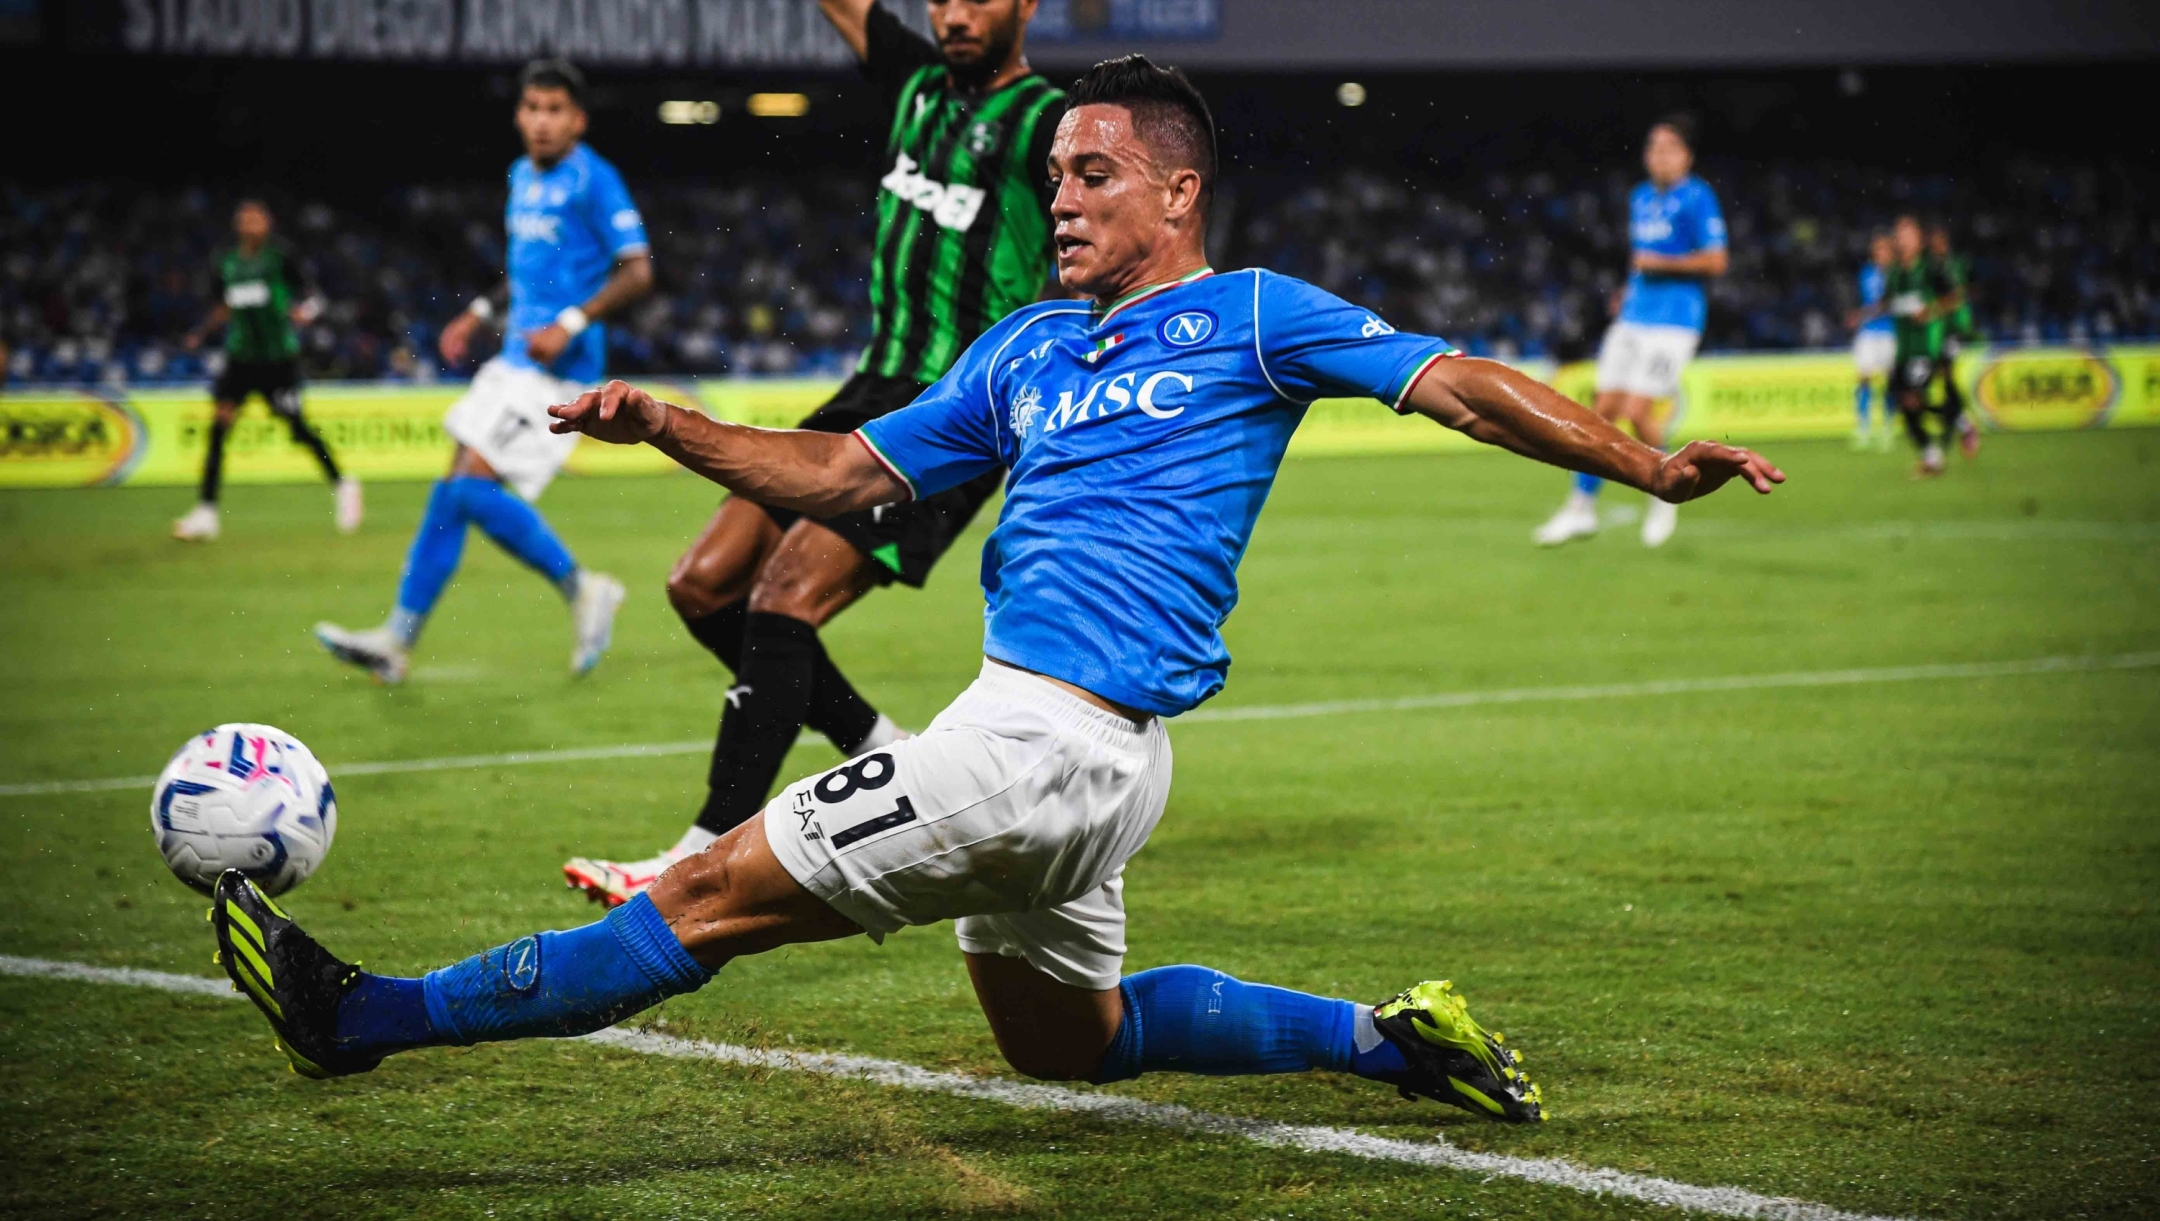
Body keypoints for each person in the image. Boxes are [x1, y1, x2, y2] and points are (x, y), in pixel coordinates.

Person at [211, 56, 1782, 1125]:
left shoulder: (1253, 317)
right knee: (1068, 1047)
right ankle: (1384, 1038)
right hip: (1071, 755)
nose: (1064, 199)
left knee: (694, 904)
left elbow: (1453, 381)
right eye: (1052, 177)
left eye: (1095, 173)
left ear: (1178, 194)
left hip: (1051, 752)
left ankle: (364, 1021)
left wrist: (1640, 465)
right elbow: (841, 479)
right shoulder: (1022, 347)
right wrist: (668, 424)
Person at [562, 0, 1068, 906]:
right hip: (868, 386)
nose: (954, 12)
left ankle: (700, 853)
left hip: (954, 413)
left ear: (1027, 5)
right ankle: (881, 750)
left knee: (784, 594)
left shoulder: (1044, 125)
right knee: (701, 585)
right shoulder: (915, 82)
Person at [311, 59, 648, 684]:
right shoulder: (521, 175)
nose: (542, 122)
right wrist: (477, 313)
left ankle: (584, 587)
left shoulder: (596, 180)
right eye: (532, 109)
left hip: (559, 368)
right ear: (519, 115)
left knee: (467, 488)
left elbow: (637, 270)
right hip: (515, 357)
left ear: (578, 120)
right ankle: (397, 641)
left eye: (555, 110)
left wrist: (569, 325)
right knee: (449, 492)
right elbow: (525, 274)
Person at [1534, 115, 1727, 548]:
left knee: (1639, 412)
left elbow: (1716, 261)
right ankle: (1581, 508)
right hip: (1634, 316)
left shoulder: (1697, 196)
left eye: (1667, 148)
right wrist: (1629, 289)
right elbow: (1641, 261)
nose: (1657, 156)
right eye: (1652, 147)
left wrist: (1663, 266)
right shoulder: (1640, 197)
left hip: (1675, 322)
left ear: (1686, 156)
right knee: (1600, 412)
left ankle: (1667, 492)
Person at [172, 200, 360, 542]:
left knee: (297, 429)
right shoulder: (226, 263)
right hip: (240, 359)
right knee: (218, 429)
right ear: (237, 225)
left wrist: (305, 312)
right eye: (245, 220)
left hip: (278, 361)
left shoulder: (281, 258)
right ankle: (206, 512)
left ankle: (343, 484)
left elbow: (314, 296)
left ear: (267, 224)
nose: (251, 225)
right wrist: (200, 333)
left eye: (256, 219)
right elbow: (224, 306)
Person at [1886, 215, 1961, 477]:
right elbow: (1888, 303)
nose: (1902, 239)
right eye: (1899, 234)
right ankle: (1949, 432)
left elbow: (1954, 298)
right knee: (1901, 402)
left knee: (1912, 398)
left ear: (1919, 239)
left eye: (1907, 234)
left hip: (1925, 348)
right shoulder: (1894, 272)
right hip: (1902, 350)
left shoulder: (1930, 268)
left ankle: (1946, 438)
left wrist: (1929, 311)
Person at [1927, 223, 1980, 460]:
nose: (1937, 246)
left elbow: (1960, 295)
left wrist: (1944, 308)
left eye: (1940, 242)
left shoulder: (1955, 265)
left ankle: (1962, 427)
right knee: (1943, 378)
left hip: (1952, 328)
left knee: (1945, 375)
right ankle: (1963, 425)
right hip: (1938, 329)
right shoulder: (1933, 267)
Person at [1847, 231, 1897, 451]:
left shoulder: (1896, 274)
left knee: (1888, 381)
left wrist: (1861, 313)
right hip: (1868, 332)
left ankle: (1888, 427)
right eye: (1878, 250)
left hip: (1889, 332)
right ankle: (1863, 427)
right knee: (1863, 379)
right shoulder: (1866, 273)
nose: (1881, 254)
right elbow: (1867, 299)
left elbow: (1887, 304)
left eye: (1885, 249)